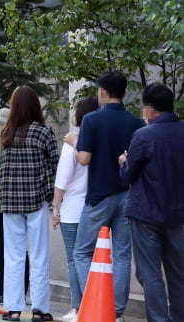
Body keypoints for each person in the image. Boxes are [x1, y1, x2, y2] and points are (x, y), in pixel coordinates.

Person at [63, 71, 144, 321]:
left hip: (99, 196)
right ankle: (117, 311)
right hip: (128, 194)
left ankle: (95, 303)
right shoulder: (136, 124)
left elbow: (84, 159)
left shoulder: (92, 120)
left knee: (82, 252)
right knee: (121, 254)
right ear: (125, 93)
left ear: (102, 92)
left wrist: (75, 142)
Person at [118, 83, 184, 322]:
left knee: (151, 272)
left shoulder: (144, 136)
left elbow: (128, 174)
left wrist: (123, 161)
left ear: (149, 109)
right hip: (178, 214)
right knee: (178, 273)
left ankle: (158, 319)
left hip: (145, 212)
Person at [0, 86, 58, 322]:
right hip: (36, 199)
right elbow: (54, 166)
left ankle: (13, 309)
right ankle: (40, 310)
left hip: (11, 201)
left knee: (13, 256)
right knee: (39, 255)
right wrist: (53, 200)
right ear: (36, 105)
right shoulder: (44, 132)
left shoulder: (7, 132)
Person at [51, 97, 99, 322]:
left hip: (72, 209)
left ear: (79, 115)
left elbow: (62, 180)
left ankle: (78, 307)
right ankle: (97, 303)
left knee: (74, 259)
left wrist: (55, 207)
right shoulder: (101, 141)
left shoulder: (72, 142)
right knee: (94, 258)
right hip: (97, 208)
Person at [0, 107, 30, 305]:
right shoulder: (24, 144)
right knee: (19, 248)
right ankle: (22, 290)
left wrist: (3, 198)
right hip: (21, 203)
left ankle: (1, 291)